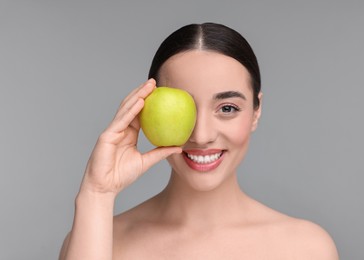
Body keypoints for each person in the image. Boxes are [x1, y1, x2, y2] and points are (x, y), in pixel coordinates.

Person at [59, 22, 338, 259]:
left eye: (227, 108)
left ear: (256, 112)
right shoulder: (97, 242)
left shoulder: (307, 248)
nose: (201, 136)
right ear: (144, 111)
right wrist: (97, 194)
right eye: (185, 110)